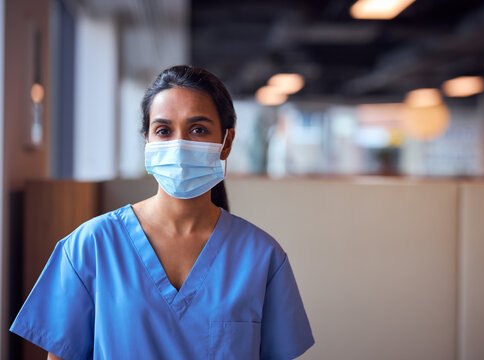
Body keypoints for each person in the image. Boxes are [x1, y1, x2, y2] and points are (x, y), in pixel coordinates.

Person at [10, 65, 314, 359]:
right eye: (164, 130)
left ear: (226, 143)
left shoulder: (261, 257)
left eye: (198, 129)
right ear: (147, 142)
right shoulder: (90, 247)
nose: (179, 145)